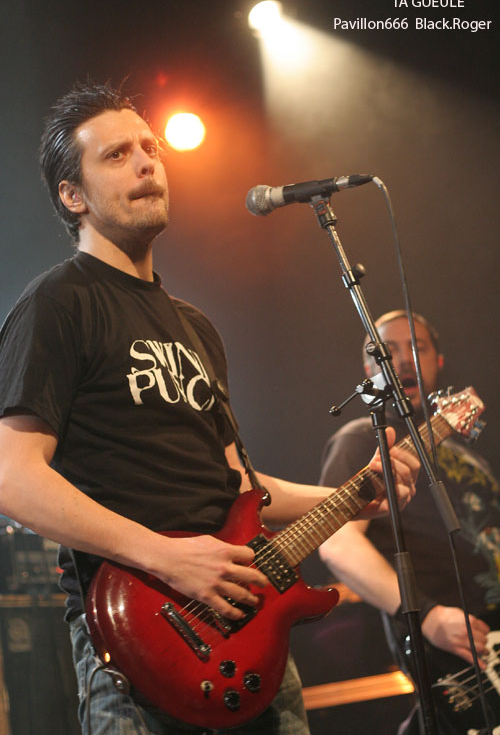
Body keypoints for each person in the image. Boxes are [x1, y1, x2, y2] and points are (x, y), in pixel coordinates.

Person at [0, 82, 418, 735]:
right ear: (72, 196)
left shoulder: (195, 327)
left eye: (150, 148)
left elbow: (241, 488)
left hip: (248, 633)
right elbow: (12, 476)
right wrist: (166, 557)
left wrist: (355, 495)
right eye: (117, 155)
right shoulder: (57, 303)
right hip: (140, 644)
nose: (146, 164)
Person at [318, 310, 500, 734]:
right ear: (369, 369)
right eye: (387, 351)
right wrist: (429, 615)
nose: (402, 359)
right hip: (453, 646)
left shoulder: (469, 456)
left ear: (438, 361)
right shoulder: (362, 440)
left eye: (417, 347)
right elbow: (338, 544)